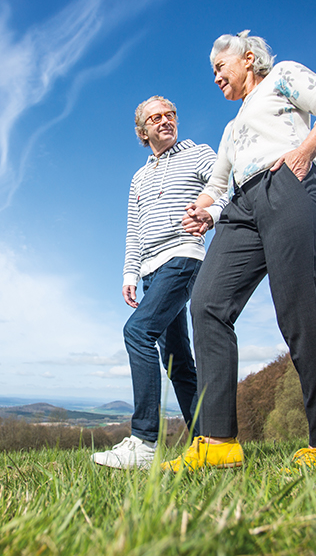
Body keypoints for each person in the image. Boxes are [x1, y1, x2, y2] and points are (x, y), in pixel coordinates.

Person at [162, 31, 316, 472]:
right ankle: (218, 443)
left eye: (220, 68)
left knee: (298, 308)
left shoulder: (282, 76)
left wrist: (305, 152)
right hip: (241, 205)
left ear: (248, 59)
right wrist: (204, 210)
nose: (215, 78)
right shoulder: (231, 128)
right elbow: (218, 184)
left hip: (289, 183)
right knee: (207, 304)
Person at [92, 96, 225, 469]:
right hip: (150, 271)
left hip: (183, 256)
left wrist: (212, 214)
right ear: (142, 131)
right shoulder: (139, 177)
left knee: (137, 332)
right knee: (177, 361)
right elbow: (133, 230)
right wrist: (130, 274)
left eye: (170, 115)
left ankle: (144, 442)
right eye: (155, 118)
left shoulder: (198, 153)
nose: (165, 121)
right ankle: (208, 445)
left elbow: (225, 186)